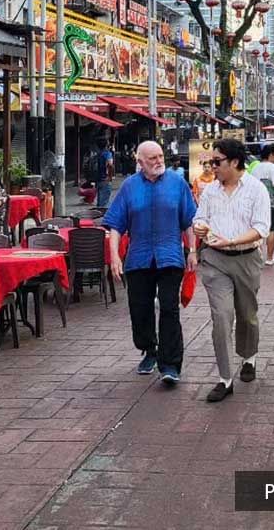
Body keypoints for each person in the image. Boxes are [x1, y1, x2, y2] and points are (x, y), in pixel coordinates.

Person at [105, 140, 197, 387]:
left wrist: (192, 250)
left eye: (160, 156)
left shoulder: (177, 183)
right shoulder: (129, 187)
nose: (159, 161)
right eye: (153, 158)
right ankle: (149, 349)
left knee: (169, 308)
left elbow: (189, 220)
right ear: (140, 162)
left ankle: (170, 365)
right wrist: (114, 255)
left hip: (170, 256)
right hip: (139, 257)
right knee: (140, 308)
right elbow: (115, 225)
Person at [193, 137, 270, 403]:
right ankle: (225, 379)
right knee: (222, 317)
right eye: (211, 161)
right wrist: (199, 227)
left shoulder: (257, 189)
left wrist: (234, 240)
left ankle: (249, 356)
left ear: (234, 162)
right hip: (215, 261)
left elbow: (261, 228)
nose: (212, 166)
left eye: (217, 161)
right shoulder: (210, 190)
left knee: (247, 315)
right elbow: (199, 218)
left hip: (246, 259)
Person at [96, 140, 114, 209]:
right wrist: (110, 177)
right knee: (104, 204)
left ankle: (97, 216)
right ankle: (101, 218)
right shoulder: (107, 154)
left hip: (98, 179)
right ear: (107, 145)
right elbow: (110, 164)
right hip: (105, 179)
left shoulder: (98, 154)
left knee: (100, 202)